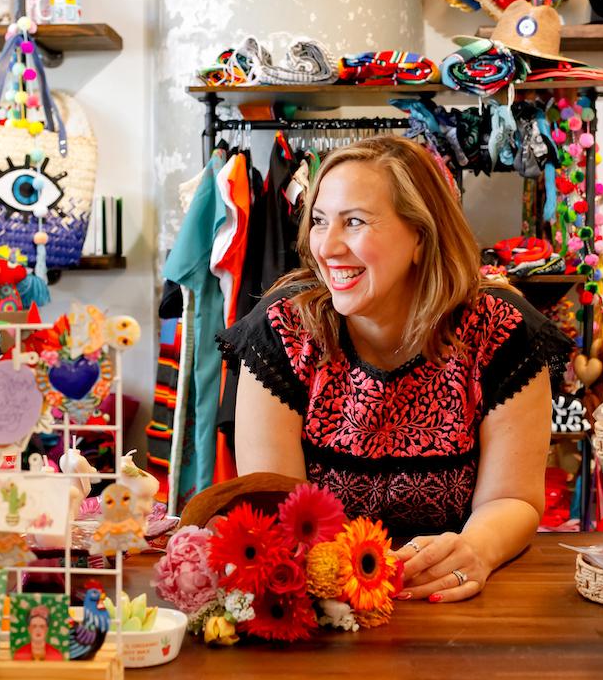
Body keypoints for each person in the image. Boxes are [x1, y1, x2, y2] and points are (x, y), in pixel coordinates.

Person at [218, 136, 571, 602]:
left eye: (355, 222)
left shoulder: (500, 331)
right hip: (323, 599)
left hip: (446, 601)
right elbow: (280, 507)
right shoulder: (284, 330)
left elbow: (513, 499)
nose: (327, 247)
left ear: (421, 237)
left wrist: (475, 551)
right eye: (320, 222)